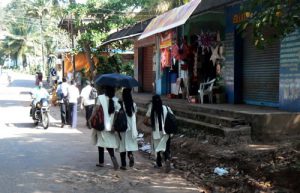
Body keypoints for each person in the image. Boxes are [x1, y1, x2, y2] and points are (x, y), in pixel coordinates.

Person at [90, 86, 121, 170]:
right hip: (111, 126)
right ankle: (112, 156)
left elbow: (96, 109)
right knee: (109, 144)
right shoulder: (116, 100)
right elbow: (117, 114)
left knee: (101, 143)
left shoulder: (101, 98)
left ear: (105, 90)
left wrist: (90, 119)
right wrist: (113, 125)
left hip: (101, 124)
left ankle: (101, 162)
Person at [144, 95, 172, 173]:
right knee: (166, 148)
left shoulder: (151, 109)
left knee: (157, 149)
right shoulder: (166, 108)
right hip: (166, 131)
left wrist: (151, 125)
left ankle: (159, 164)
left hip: (156, 132)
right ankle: (167, 160)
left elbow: (145, 121)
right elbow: (172, 117)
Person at [117, 88, 138, 170]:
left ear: (123, 95)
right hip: (131, 128)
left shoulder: (120, 104)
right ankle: (130, 156)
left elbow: (117, 115)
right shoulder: (134, 104)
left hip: (123, 127)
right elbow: (135, 116)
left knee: (122, 146)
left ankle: (123, 165)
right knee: (129, 145)